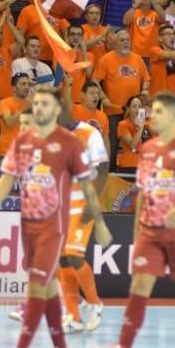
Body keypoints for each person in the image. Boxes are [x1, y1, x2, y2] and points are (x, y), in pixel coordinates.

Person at [0, 85, 110, 348]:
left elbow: (90, 181)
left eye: (44, 104)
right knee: (50, 286)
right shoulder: (23, 140)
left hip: (58, 222)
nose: (38, 108)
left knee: (40, 284)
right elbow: (8, 178)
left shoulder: (72, 142)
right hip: (29, 223)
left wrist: (97, 218)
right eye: (35, 103)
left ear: (57, 109)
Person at [94, 93, 175, 348]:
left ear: (172, 116)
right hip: (149, 230)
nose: (150, 115)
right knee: (138, 288)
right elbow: (142, 192)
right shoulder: (147, 149)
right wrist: (136, 229)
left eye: (156, 111)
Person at [56, 93, 110, 333]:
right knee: (62, 259)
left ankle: (95, 302)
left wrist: (94, 202)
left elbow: (103, 166)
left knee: (74, 256)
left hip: (83, 203)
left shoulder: (89, 133)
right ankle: (74, 317)